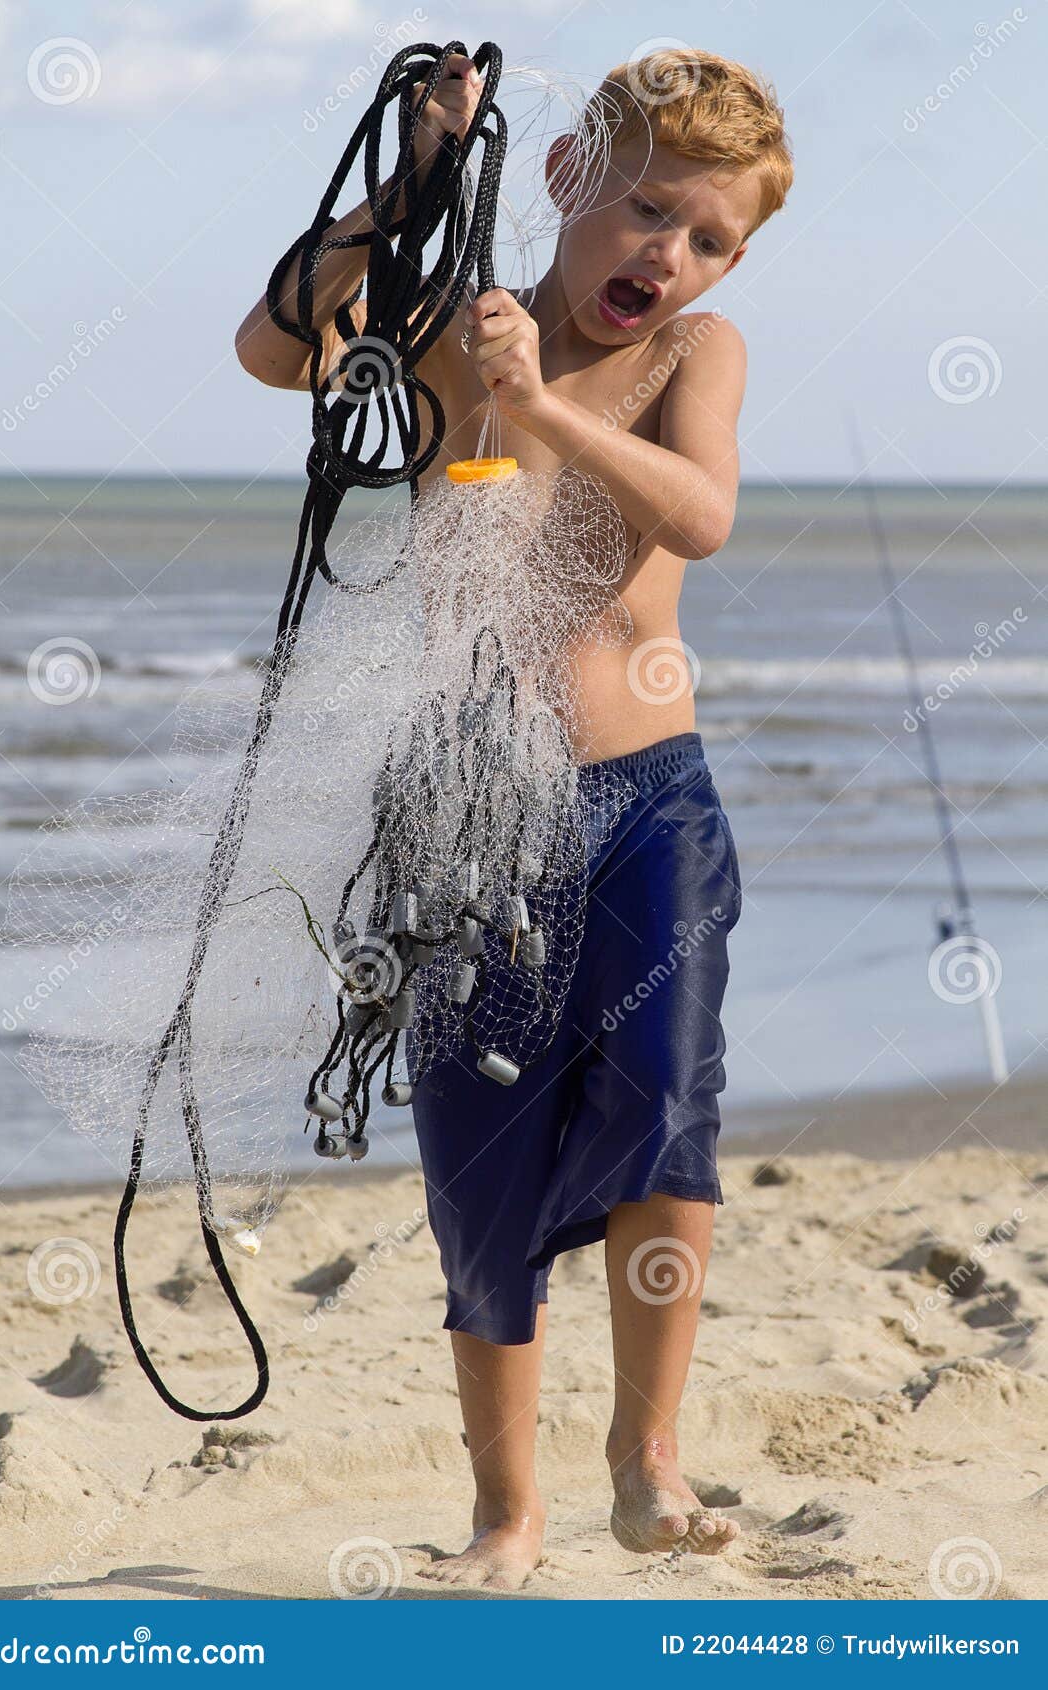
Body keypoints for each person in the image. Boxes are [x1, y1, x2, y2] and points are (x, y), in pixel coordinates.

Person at [235, 47, 793, 1590]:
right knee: (480, 1175)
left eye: (709, 240)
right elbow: (274, 348)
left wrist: (542, 404)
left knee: (669, 1098)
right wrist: (406, 188)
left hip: (647, 799)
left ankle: (647, 1454)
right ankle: (508, 1509)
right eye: (649, 214)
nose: (669, 259)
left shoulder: (697, 355)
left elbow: (701, 515)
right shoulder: (443, 327)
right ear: (563, 183)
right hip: (462, 812)